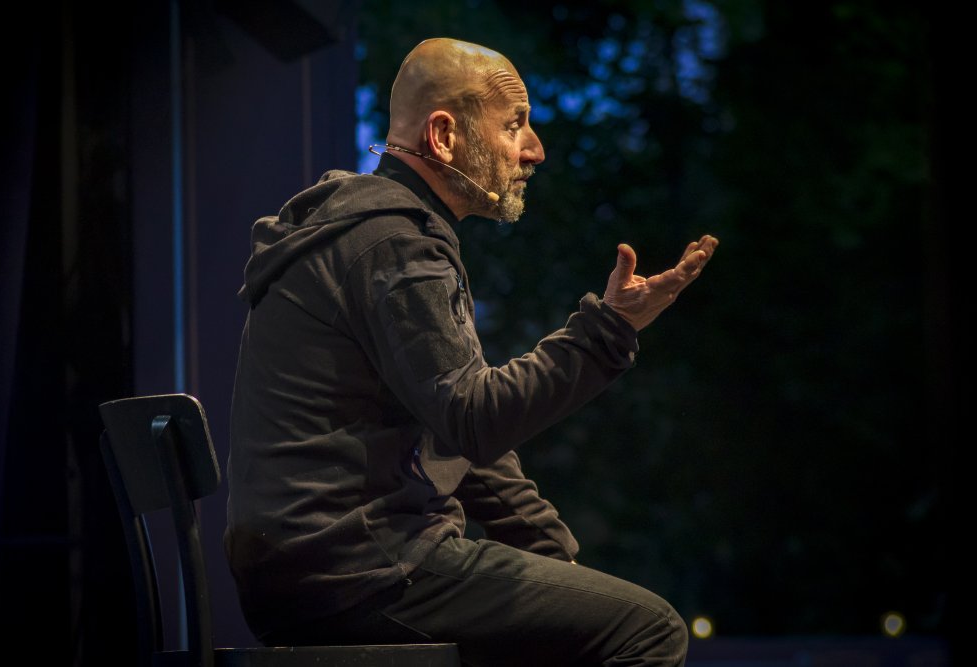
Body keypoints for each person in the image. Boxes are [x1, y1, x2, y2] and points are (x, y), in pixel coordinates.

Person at [225, 37, 717, 666]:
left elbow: (457, 440)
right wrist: (607, 330)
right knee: (651, 631)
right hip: (356, 568)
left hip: (319, 566)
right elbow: (474, 419)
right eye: (514, 125)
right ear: (443, 136)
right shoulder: (395, 246)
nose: (534, 149)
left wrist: (552, 556)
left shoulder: (381, 233)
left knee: (585, 621)